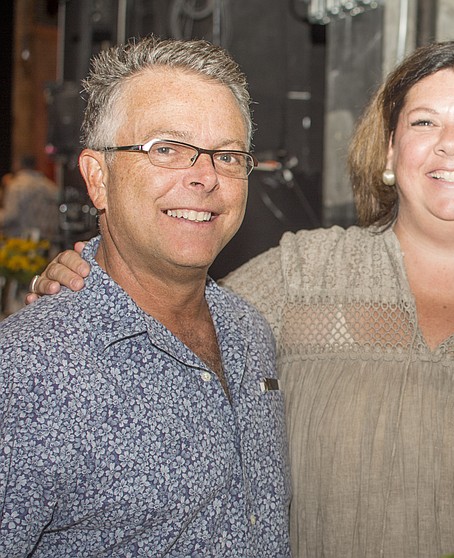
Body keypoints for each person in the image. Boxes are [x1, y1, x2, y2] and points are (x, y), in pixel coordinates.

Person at [29, 40, 454, 557]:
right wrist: (84, 275)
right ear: (391, 154)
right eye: (424, 121)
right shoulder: (303, 274)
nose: (451, 142)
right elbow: (166, 303)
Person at [0, 37, 291, 557]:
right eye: (167, 149)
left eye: (226, 155)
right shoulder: (29, 371)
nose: (204, 177)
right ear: (98, 178)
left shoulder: (250, 333)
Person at [0, 155, 59, 243]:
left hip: (21, 242)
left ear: (17, 164)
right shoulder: (49, 185)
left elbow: (10, 215)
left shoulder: (16, 186)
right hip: (47, 241)